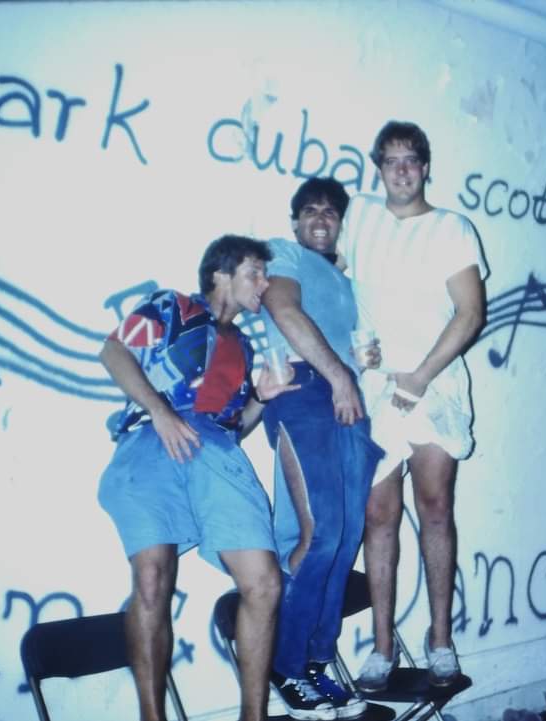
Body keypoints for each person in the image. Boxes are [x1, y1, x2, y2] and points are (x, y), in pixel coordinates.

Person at [97, 235, 297, 721]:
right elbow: (113, 353)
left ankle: (254, 716)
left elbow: (236, 428)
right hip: (153, 438)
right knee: (151, 578)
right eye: (255, 272)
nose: (264, 284)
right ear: (220, 274)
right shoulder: (172, 306)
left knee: (265, 583)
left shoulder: (245, 346)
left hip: (214, 448)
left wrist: (262, 399)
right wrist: (161, 412)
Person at [337, 121, 488, 690]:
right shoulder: (360, 219)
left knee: (436, 509)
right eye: (391, 160)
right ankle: (382, 647)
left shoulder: (452, 229)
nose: (401, 170)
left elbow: (470, 313)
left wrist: (422, 376)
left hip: (433, 385)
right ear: (377, 166)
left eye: (412, 160)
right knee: (378, 516)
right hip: (376, 390)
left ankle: (441, 638)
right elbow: (332, 286)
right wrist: (355, 344)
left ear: (426, 166)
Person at [258, 178, 384, 719]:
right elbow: (284, 311)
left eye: (331, 213)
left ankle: (314, 661)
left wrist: (363, 363)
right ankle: (283, 666)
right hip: (309, 391)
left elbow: (355, 345)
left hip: (348, 396)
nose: (321, 218)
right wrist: (338, 375)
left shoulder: (347, 280)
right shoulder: (283, 254)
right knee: (322, 533)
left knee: (348, 534)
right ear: (294, 222)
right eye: (310, 210)